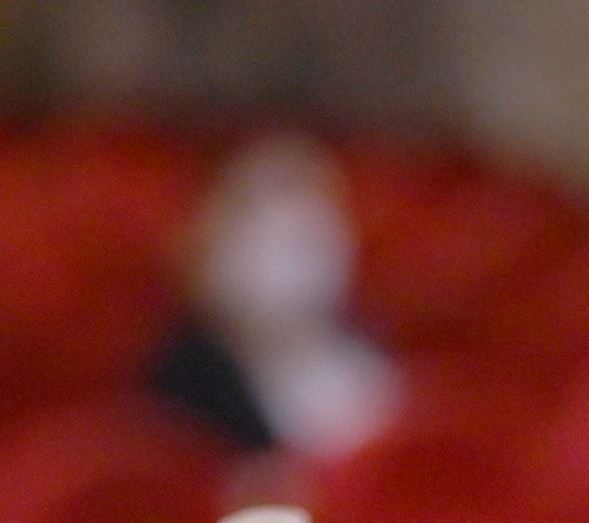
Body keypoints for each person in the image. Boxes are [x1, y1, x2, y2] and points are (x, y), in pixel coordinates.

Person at [141, 136, 402, 463]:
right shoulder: (177, 397)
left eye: (305, 237)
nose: (288, 254)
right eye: (256, 221)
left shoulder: (372, 370)